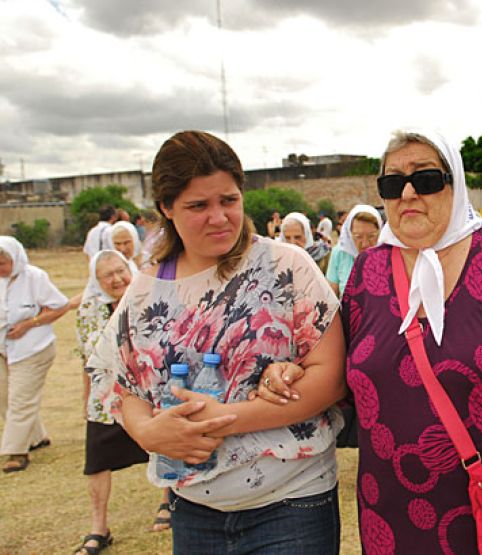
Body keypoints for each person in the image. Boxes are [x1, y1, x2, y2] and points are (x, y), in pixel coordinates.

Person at [263, 130, 482, 553]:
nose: (406, 193)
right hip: (390, 512)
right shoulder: (368, 273)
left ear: (454, 186)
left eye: (425, 179)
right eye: (391, 183)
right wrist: (295, 369)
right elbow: (347, 369)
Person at [84, 130, 348, 553]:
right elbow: (121, 381)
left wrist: (225, 417)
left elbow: (331, 377)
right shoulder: (147, 289)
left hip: (292, 503)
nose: (219, 217)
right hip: (193, 512)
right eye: (198, 206)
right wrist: (149, 433)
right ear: (166, 208)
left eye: (228, 200)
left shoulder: (286, 267)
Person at [74, 250, 171, 555]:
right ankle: (98, 527)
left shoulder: (147, 297)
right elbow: (86, 358)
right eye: (107, 275)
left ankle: (169, 503)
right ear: (96, 280)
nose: (116, 279)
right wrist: (86, 397)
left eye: (121, 271)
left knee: (162, 449)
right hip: (105, 399)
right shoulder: (89, 309)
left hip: (145, 394)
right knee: (97, 461)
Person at [0, 236, 69, 473]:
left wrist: (30, 323)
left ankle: (16, 451)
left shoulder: (34, 277)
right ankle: (36, 437)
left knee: (20, 398)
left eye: (3, 263)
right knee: (6, 396)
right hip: (4, 348)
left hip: (33, 348)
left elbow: (60, 306)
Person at [324, 205, 381, 297]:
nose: (365, 244)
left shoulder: (388, 255)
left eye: (372, 236)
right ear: (349, 234)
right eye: (358, 236)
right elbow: (331, 298)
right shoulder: (339, 253)